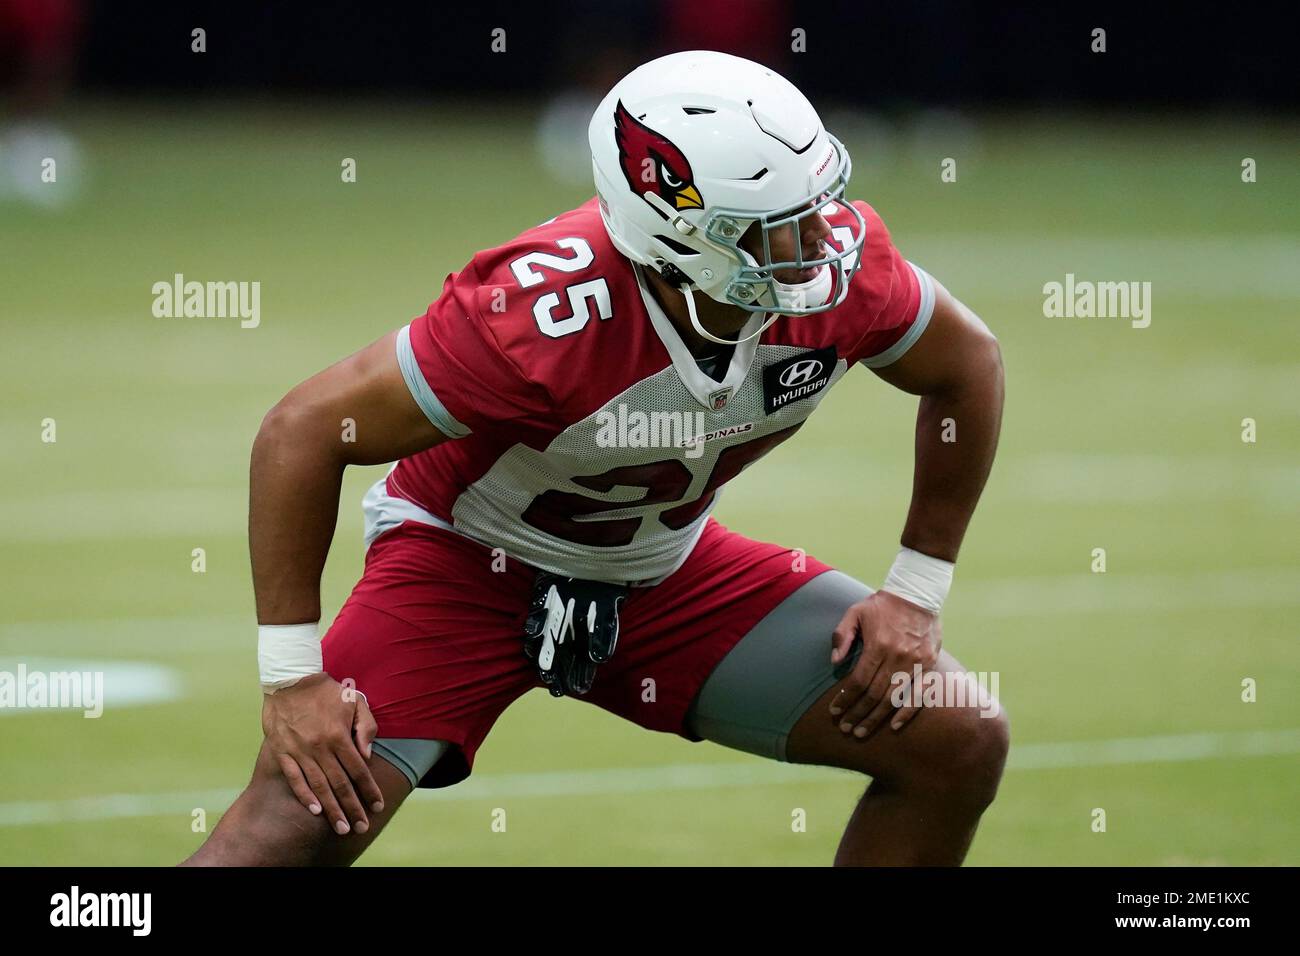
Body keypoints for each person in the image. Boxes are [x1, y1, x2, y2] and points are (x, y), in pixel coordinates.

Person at [183, 50, 1007, 867]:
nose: (821, 238)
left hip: (663, 572)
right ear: (680, 233)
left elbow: (969, 367)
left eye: (815, 204)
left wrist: (914, 591)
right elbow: (303, 430)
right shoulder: (540, 315)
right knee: (285, 839)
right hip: (462, 567)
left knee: (956, 739)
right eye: (774, 226)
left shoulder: (844, 273)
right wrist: (293, 681)